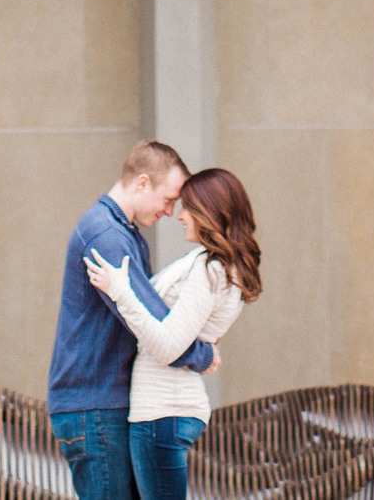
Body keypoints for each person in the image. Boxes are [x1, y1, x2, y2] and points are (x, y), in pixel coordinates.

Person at [48, 142, 218, 500]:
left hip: (98, 407)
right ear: (142, 183)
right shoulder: (106, 237)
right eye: (169, 199)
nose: (171, 212)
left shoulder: (120, 233)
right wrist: (203, 355)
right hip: (96, 409)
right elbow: (153, 321)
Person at [84, 167, 261, 500]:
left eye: (188, 208)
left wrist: (121, 292)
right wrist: (204, 350)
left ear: (211, 211)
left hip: (163, 414)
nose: (179, 216)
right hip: (163, 413)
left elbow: (167, 346)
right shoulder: (208, 264)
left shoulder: (211, 268)